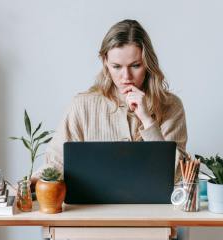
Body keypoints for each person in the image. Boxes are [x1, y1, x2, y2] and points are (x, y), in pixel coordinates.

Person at [33, 19, 187, 184]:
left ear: (148, 64)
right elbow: (56, 162)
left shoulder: (171, 105)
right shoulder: (82, 105)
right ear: (105, 62)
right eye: (117, 66)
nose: (126, 77)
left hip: (153, 208)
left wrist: (147, 120)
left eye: (135, 66)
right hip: (93, 207)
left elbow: (177, 174)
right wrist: (27, 185)